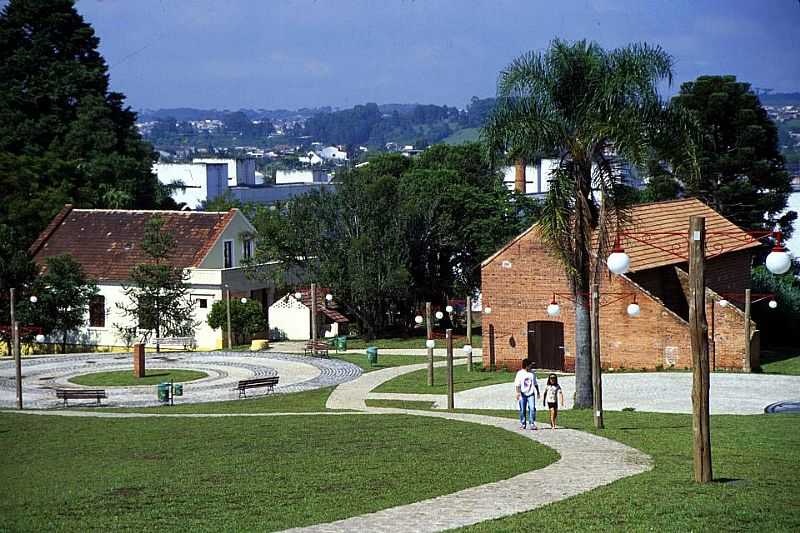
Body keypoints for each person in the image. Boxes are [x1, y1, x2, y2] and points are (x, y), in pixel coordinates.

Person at [514, 358, 539, 430]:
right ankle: (523, 423)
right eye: (530, 365)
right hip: (522, 394)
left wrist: (538, 392)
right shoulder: (520, 373)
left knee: (532, 408)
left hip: (531, 394)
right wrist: (518, 393)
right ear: (526, 365)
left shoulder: (532, 373)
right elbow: (517, 384)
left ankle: (532, 423)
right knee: (522, 409)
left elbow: (535, 383)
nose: (531, 366)